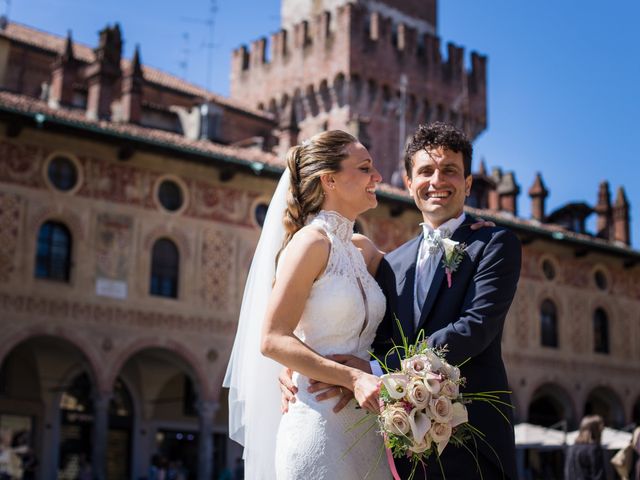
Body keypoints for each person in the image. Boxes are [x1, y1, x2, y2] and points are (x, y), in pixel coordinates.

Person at [282, 122, 521, 479]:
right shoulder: (389, 262)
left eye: (450, 171)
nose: (437, 181)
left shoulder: (494, 244)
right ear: (409, 184)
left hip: (474, 442)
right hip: (401, 446)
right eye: (425, 171)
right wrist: (295, 364)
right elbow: (364, 328)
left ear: (468, 184)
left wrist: (376, 371)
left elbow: (476, 327)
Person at [224, 130, 390, 479]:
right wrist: (353, 378)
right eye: (365, 168)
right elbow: (273, 339)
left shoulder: (362, 250)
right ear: (329, 179)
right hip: (318, 427)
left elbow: (419, 265)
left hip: (367, 432)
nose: (377, 177)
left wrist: (462, 237)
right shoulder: (310, 243)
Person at [564, 415, 607, 480]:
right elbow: (599, 476)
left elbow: (567, 473)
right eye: (601, 428)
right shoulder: (594, 449)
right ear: (595, 430)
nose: (602, 430)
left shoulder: (571, 448)